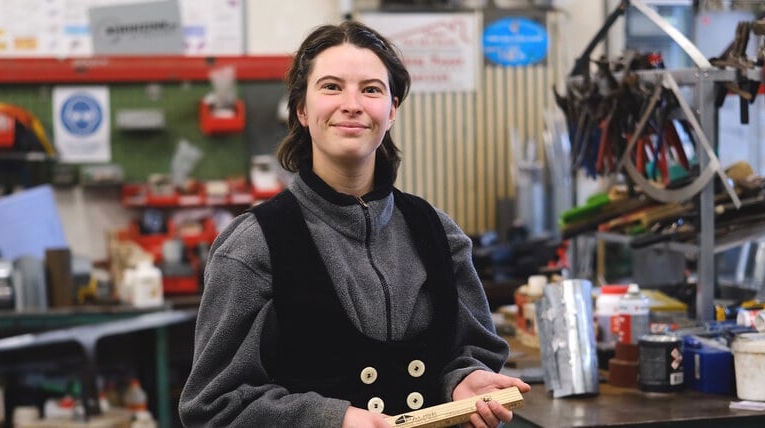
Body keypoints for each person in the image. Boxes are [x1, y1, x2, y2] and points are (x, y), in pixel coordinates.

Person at [178, 21, 531, 427]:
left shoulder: (439, 232)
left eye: (371, 89)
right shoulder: (252, 246)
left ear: (392, 110)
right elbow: (213, 406)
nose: (352, 104)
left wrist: (463, 380)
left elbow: (472, 349)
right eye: (331, 87)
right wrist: (332, 419)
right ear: (302, 110)